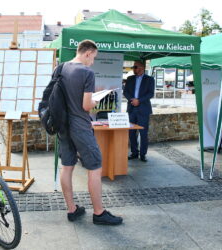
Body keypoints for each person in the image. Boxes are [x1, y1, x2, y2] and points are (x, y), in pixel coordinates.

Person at [58, 40, 123, 225]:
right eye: (93, 58)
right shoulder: (86, 72)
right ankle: (99, 213)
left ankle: (72, 209)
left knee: (67, 166)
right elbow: (86, 105)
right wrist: (96, 100)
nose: (92, 62)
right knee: (95, 167)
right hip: (80, 126)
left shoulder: (61, 68)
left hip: (63, 125)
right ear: (87, 53)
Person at [123, 60, 155, 162]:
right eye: (133, 67)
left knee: (143, 133)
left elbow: (151, 93)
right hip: (132, 108)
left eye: (135, 67)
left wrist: (139, 101)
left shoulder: (150, 79)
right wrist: (132, 100)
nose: (133, 68)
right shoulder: (130, 78)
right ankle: (134, 153)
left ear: (141, 68)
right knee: (131, 132)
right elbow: (125, 92)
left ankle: (143, 154)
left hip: (143, 109)